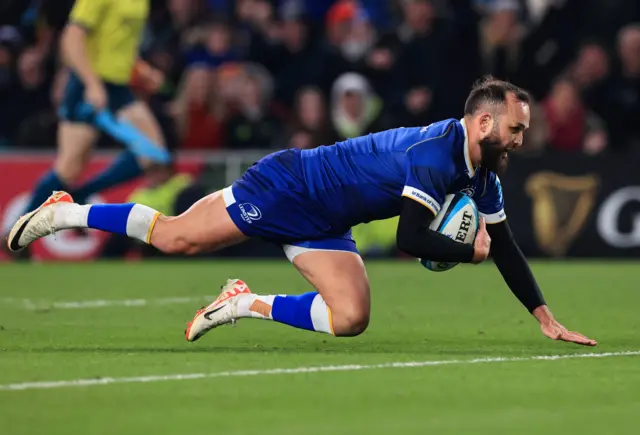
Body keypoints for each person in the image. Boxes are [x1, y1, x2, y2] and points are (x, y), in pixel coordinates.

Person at [7, 77, 596, 347]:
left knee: (352, 318)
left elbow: (508, 244)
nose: (522, 139)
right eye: (516, 128)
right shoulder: (436, 154)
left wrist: (544, 316)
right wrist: (466, 250)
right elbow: (413, 239)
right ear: (485, 122)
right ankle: (68, 211)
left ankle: (244, 301)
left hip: (327, 220)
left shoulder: (481, 168)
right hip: (291, 186)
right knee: (175, 239)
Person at [21, 0, 167, 218]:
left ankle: (79, 196)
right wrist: (91, 83)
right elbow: (72, 37)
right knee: (69, 169)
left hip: (118, 88)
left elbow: (119, 41)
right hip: (87, 86)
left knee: (153, 153)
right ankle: (16, 229)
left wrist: (143, 71)